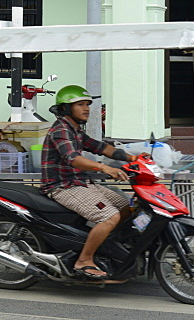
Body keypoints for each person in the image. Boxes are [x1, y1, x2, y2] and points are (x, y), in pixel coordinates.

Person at [41, 84, 133, 281]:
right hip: (63, 186)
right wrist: (104, 168)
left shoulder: (76, 131)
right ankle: (84, 260)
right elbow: (73, 158)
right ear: (66, 108)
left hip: (81, 183)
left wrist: (132, 158)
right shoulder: (60, 130)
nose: (86, 109)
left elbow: (99, 147)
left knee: (127, 207)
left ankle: (108, 248)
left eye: (87, 105)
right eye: (80, 104)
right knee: (109, 217)